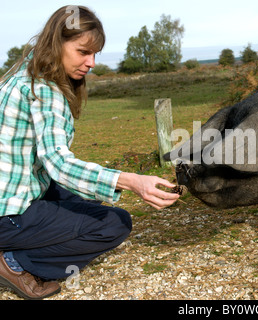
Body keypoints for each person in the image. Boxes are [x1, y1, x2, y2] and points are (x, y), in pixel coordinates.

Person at [0, 6, 179, 300]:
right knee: (114, 223)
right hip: (8, 212)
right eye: (84, 51)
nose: (91, 63)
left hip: (16, 191)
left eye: (95, 54)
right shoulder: (44, 90)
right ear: (57, 42)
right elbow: (57, 162)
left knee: (88, 197)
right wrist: (131, 180)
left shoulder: (20, 74)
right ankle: (13, 263)